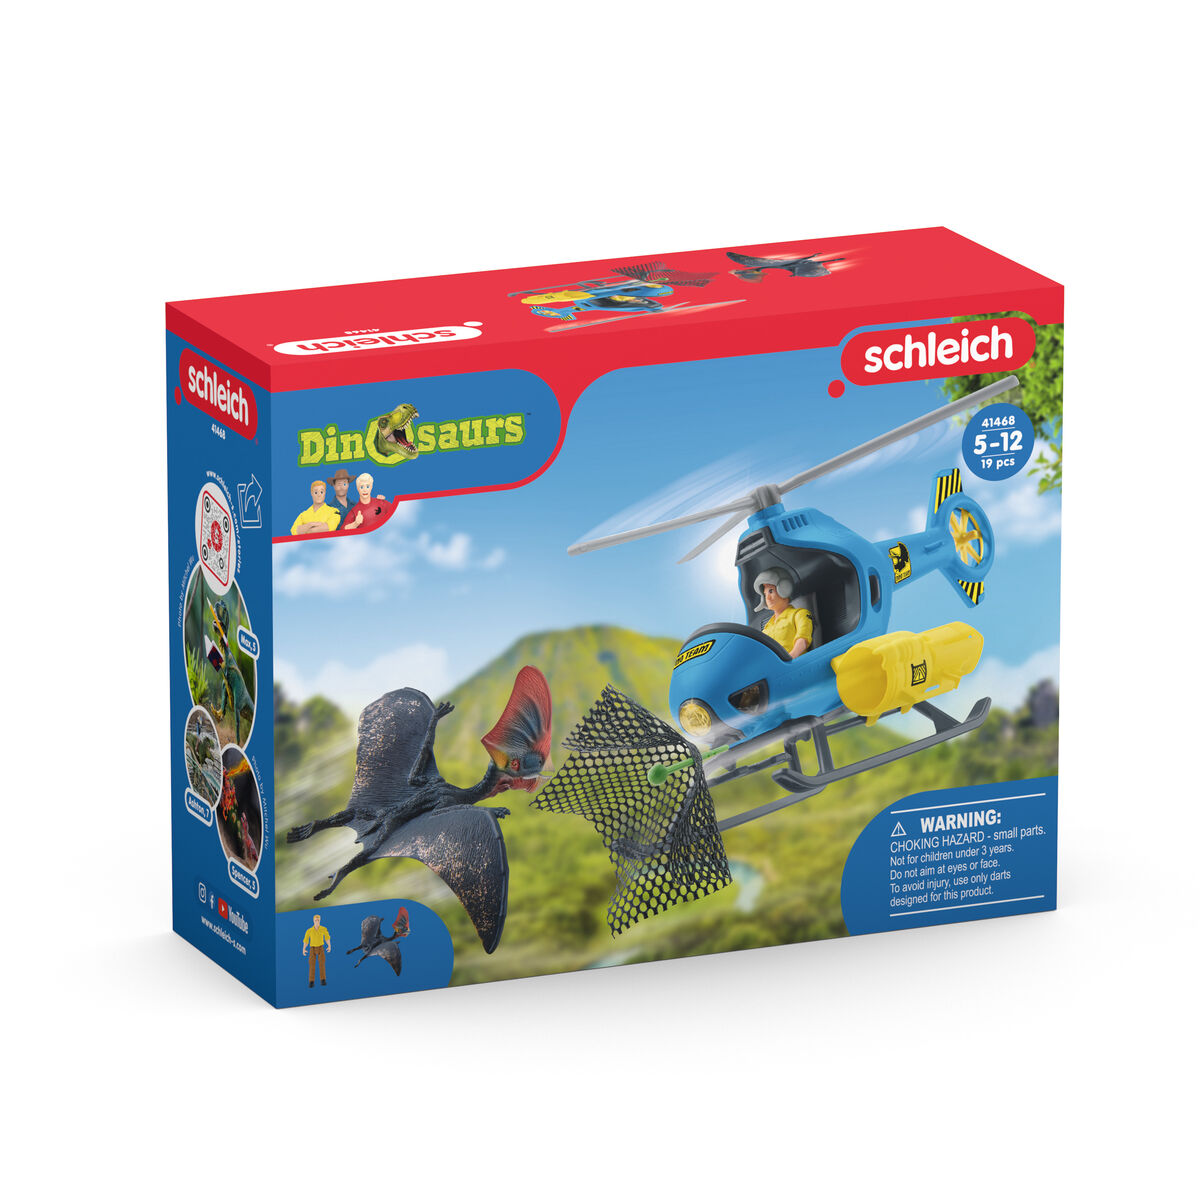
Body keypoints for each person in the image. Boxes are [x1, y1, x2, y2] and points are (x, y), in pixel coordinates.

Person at [753, 569, 813, 658]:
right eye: (765, 595)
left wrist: (789, 659)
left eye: (771, 591)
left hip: (796, 664)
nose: (768, 598)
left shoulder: (799, 614)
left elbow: (803, 640)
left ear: (785, 588)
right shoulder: (767, 627)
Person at [302, 914, 331, 987]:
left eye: (318, 920)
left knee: (322, 964)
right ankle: (311, 981)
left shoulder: (323, 929)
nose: (317, 921)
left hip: (321, 947)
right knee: (312, 965)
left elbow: (327, 937)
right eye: (315, 920)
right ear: (313, 921)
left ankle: (323, 980)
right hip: (312, 948)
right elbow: (306, 940)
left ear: (320, 920)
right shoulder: (309, 930)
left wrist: (329, 945)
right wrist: (304, 948)